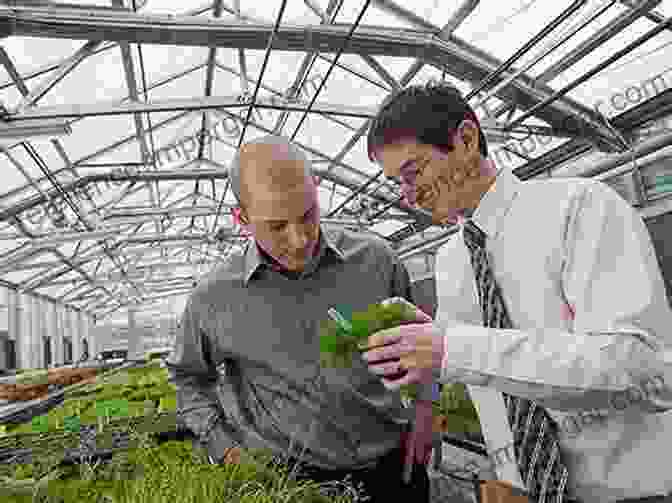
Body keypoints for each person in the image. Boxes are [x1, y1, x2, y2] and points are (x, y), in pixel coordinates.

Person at [360, 81, 672, 503]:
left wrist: (451, 347)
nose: (407, 194)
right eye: (397, 182)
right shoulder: (452, 260)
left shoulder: (579, 208)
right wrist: (430, 366)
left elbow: (639, 369)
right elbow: (487, 372)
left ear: (466, 140)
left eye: (413, 172)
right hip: (522, 490)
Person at [165, 134, 434, 503]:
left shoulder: (376, 261)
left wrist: (425, 409)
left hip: (394, 468)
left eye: (308, 213)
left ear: (317, 188)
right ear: (242, 218)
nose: (299, 238)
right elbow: (187, 377)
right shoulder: (213, 298)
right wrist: (224, 447)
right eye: (277, 225)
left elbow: (424, 346)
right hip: (294, 484)